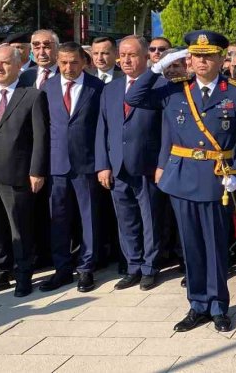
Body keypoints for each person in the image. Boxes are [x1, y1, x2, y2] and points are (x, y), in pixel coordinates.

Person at [126, 30, 236, 332]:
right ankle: (197, 304)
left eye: (208, 56)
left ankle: (219, 305)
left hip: (215, 180)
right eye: (196, 56)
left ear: (221, 59)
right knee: (191, 246)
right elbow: (134, 97)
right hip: (182, 178)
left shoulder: (235, 94)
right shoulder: (174, 91)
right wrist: (156, 68)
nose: (201, 61)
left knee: (215, 246)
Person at [0, 45, 46, 297]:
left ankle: (23, 274)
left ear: (17, 65)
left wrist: (37, 170)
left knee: (20, 228)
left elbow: (40, 137)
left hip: (17, 173)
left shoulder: (32, 96)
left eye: (3, 63)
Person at [94, 36, 164, 291]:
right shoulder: (111, 88)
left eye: (132, 55)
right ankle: (133, 265)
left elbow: (166, 131)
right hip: (117, 166)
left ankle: (150, 267)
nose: (126, 60)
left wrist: (162, 164)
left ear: (146, 57)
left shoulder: (160, 86)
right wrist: (103, 164)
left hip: (147, 165)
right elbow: (102, 128)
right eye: (122, 55)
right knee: (125, 219)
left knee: (150, 219)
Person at [39, 42, 105, 293]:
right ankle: (62, 269)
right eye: (64, 62)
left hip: (86, 164)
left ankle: (87, 268)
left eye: (74, 62)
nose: (68, 67)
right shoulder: (48, 87)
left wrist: (101, 164)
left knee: (89, 219)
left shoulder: (97, 88)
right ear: (58, 62)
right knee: (58, 219)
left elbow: (102, 129)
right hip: (56, 165)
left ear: (84, 62)